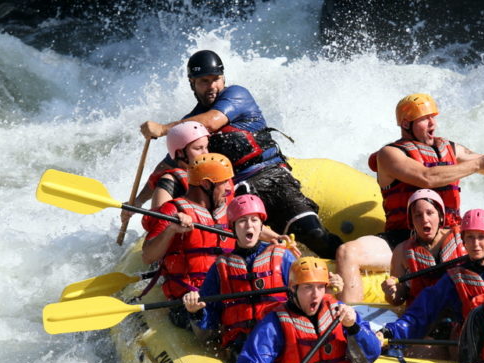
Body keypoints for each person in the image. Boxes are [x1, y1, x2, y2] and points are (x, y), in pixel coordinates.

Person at [335, 92, 484, 301]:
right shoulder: (389, 154)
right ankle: (353, 323)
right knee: (347, 253)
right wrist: (477, 163)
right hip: (401, 239)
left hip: (451, 239)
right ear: (406, 123)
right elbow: (426, 177)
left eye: (434, 118)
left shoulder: (450, 149)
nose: (433, 124)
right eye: (425, 119)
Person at [140, 50, 343, 259]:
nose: (212, 86)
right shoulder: (190, 122)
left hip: (273, 178)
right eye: (203, 81)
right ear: (192, 84)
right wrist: (137, 203)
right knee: (248, 253)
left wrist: (163, 128)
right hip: (232, 193)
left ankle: (343, 259)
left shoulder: (237, 95)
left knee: (314, 234)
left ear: (223, 78)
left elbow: (211, 121)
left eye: (216, 79)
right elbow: (168, 165)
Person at [237, 257, 400, 363]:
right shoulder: (273, 323)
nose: (315, 294)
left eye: (320, 287)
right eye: (308, 288)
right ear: (293, 288)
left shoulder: (340, 312)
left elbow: (371, 354)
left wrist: (354, 328)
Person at [181, 194, 298, 359]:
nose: (249, 225)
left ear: (262, 225)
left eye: (254, 220)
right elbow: (208, 326)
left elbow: (307, 298)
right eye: (242, 221)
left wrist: (324, 285)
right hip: (242, 347)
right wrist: (196, 312)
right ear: (233, 227)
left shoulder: (283, 257)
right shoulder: (221, 267)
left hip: (281, 340)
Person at [378, 208, 484, 344]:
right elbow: (422, 311)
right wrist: (391, 332)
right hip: (471, 343)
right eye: (470, 237)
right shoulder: (454, 278)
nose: (476, 244)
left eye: (481, 237)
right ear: (463, 240)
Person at [141, 153, 235, 327]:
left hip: (227, 293)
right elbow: (147, 256)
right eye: (224, 182)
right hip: (189, 299)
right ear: (206, 184)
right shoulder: (173, 210)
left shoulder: (227, 207)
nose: (229, 188)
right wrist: (171, 230)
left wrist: (274, 238)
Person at [381, 189, 466, 307]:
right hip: (423, 315)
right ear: (411, 222)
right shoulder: (401, 252)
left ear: (441, 216)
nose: (425, 219)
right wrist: (390, 292)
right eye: (418, 215)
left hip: (459, 309)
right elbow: (397, 300)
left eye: (430, 213)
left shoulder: (464, 237)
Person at [121, 121, 211, 229]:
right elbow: (159, 227)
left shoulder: (214, 173)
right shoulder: (168, 183)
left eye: (206, 147)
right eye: (198, 148)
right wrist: (138, 201)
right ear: (181, 153)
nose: (206, 154)